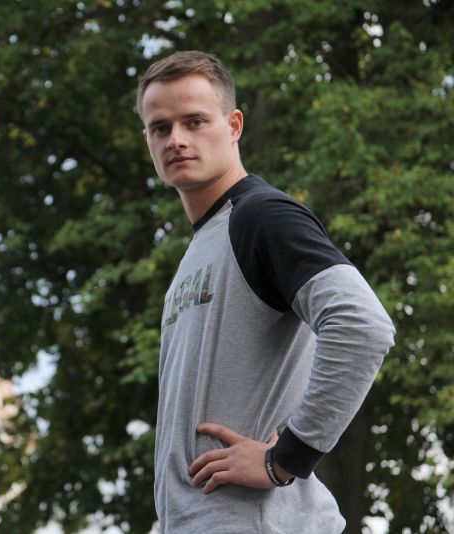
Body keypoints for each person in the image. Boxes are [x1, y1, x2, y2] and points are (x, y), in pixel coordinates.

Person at [137, 50, 395, 533]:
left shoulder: (260, 216)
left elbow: (361, 324)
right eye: (160, 127)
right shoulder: (203, 245)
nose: (176, 139)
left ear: (234, 125)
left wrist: (285, 459)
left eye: (194, 122)